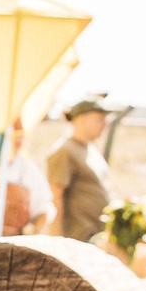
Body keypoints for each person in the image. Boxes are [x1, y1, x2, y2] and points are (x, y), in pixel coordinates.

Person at [46, 97, 117, 243]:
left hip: (98, 235)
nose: (105, 124)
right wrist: (57, 244)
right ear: (82, 119)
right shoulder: (65, 151)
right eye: (100, 119)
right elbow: (55, 197)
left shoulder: (90, 149)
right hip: (80, 238)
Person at [0, 116, 56, 236]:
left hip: (13, 240)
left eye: (19, 139)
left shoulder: (27, 169)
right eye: (14, 139)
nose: (18, 143)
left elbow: (44, 209)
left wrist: (33, 229)